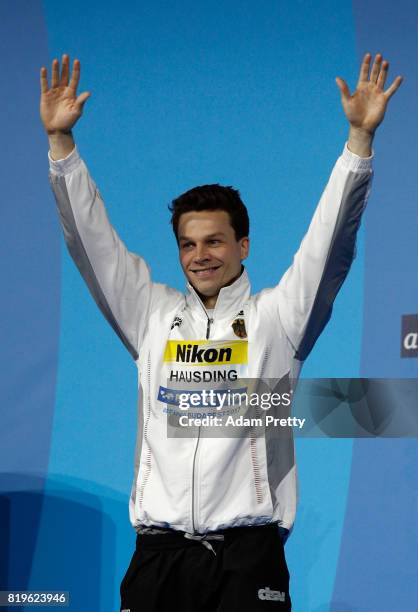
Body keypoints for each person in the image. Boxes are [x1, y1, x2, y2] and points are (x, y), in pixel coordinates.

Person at [40, 52, 403, 611]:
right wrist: (63, 152)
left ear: (243, 246)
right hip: (158, 558)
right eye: (188, 243)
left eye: (214, 241)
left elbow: (330, 247)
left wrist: (358, 142)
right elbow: (93, 247)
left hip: (246, 557)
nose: (200, 255)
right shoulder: (151, 316)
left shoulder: (278, 319)